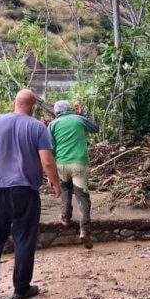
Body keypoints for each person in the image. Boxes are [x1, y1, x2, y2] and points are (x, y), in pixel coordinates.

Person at [0, 90, 61, 299]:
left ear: (15, 103)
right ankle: (21, 288)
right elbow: (47, 161)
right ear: (32, 107)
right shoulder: (37, 127)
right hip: (25, 189)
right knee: (24, 237)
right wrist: (56, 184)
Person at [48, 100, 99, 249]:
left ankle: (65, 216)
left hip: (61, 164)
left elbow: (50, 147)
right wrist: (82, 114)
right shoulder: (78, 119)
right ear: (69, 109)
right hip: (79, 163)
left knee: (65, 188)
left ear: (56, 112)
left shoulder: (53, 125)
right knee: (82, 196)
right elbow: (95, 128)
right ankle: (84, 230)